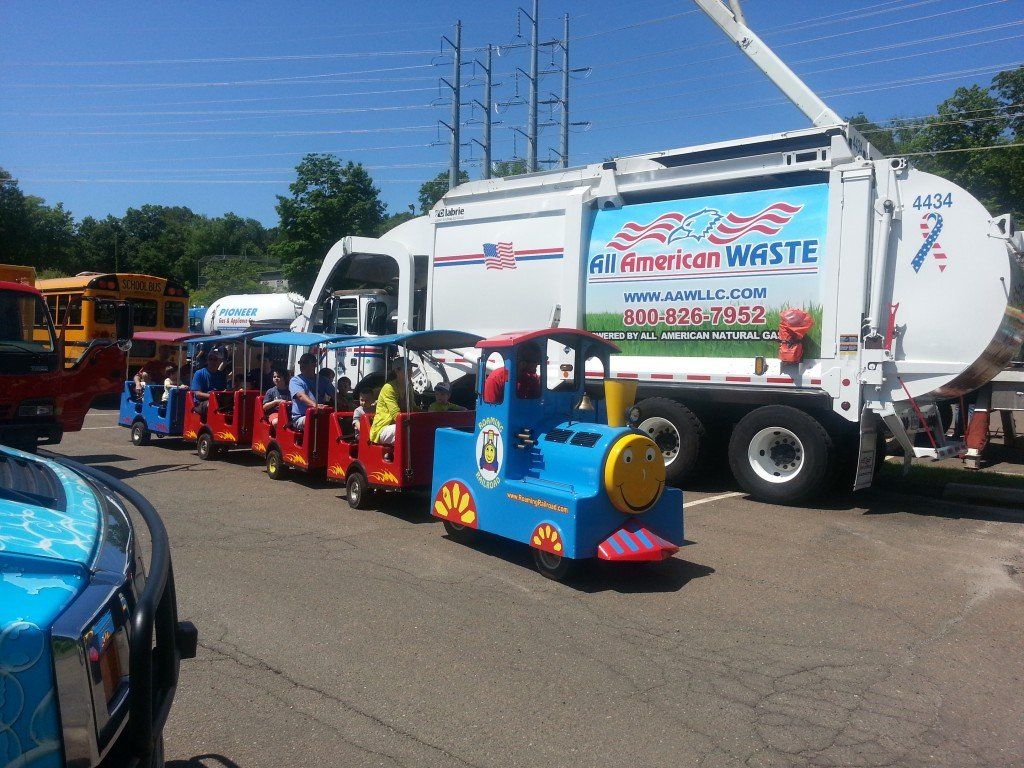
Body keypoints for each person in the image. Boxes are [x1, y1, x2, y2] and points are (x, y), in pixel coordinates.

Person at [369, 358, 414, 444]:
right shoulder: (389, 387)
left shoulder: (409, 388)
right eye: (407, 369)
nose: (410, 372)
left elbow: (413, 407)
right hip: (383, 428)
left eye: (411, 369)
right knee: (407, 430)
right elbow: (395, 414)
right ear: (397, 371)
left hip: (402, 424)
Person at [289, 353, 322, 430]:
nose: (302, 365)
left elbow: (334, 394)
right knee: (314, 421)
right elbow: (301, 396)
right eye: (300, 362)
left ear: (315, 364)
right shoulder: (295, 380)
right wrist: (315, 406)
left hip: (319, 414)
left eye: (306, 362)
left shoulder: (323, 380)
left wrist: (348, 404)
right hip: (300, 417)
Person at [190, 348, 226, 418]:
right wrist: (212, 396)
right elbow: (197, 394)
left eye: (215, 360)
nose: (213, 362)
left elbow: (223, 390)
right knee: (212, 404)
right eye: (210, 359)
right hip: (201, 403)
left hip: (218, 401)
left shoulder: (222, 375)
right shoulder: (199, 373)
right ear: (207, 360)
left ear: (219, 361)